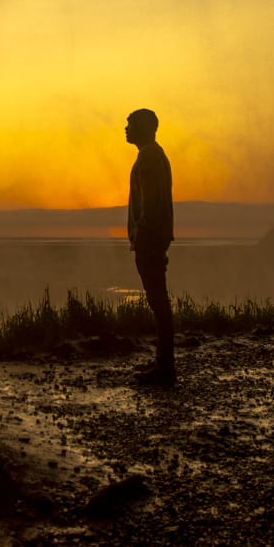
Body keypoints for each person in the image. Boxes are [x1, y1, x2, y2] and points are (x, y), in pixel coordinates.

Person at [124, 107, 175, 386]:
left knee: (158, 303)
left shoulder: (149, 157)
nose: (125, 128)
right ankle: (163, 364)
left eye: (130, 123)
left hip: (150, 241)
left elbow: (151, 204)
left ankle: (165, 368)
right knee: (159, 302)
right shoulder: (153, 154)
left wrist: (142, 235)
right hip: (154, 239)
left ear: (144, 127)